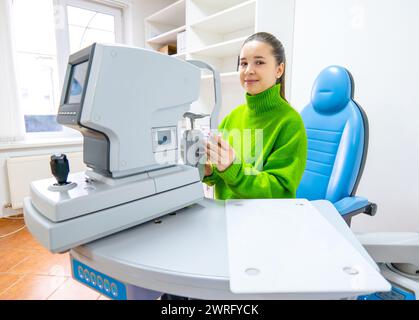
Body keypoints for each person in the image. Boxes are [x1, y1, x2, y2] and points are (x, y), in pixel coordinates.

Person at [203, 32, 307, 200]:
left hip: (263, 220)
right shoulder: (231, 117)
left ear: (279, 70)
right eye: (243, 63)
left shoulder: (291, 123)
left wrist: (232, 168)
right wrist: (207, 170)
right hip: (226, 216)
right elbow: (220, 173)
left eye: (259, 62)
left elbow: (280, 191)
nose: (249, 70)